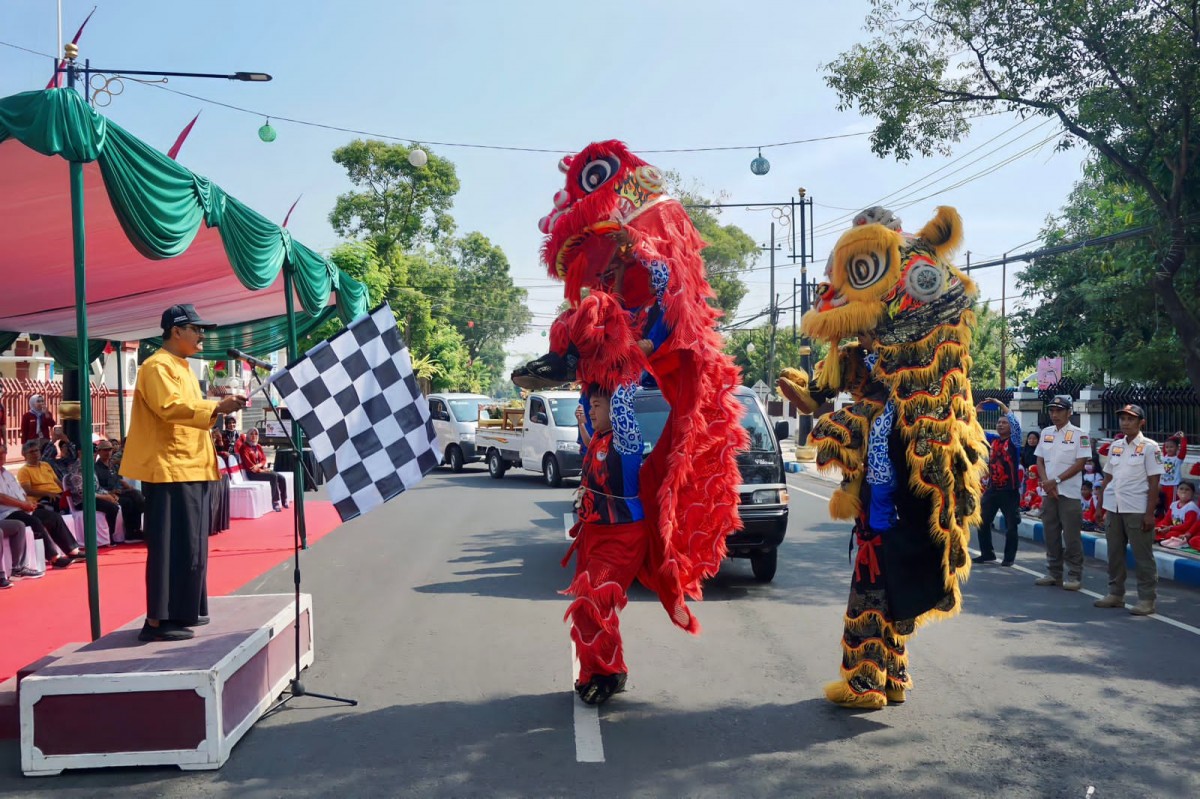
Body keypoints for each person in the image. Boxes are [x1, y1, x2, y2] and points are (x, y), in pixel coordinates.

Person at [120, 304, 245, 642]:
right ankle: (159, 621)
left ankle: (186, 610)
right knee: (171, 546)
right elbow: (170, 409)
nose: (202, 335)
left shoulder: (183, 366)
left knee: (191, 544)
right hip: (169, 468)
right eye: (196, 329)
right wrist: (217, 406)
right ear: (176, 331)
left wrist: (216, 410)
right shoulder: (157, 366)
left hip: (190, 465)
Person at [564, 384, 669, 706]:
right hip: (593, 534)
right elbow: (590, 445)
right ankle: (598, 671)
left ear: (616, 410)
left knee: (593, 601)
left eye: (597, 405)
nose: (591, 410)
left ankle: (608, 673)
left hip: (622, 535)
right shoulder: (598, 438)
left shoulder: (627, 440)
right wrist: (584, 419)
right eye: (590, 405)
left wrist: (623, 361)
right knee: (588, 604)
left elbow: (622, 397)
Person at [1094, 404, 1164, 616]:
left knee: (1143, 556)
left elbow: (1154, 483)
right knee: (1114, 553)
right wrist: (1099, 507)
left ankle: (1147, 599)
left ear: (1141, 422)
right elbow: (1107, 478)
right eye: (1122, 418)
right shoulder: (1115, 445)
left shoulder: (1150, 447)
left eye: (1130, 419)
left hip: (1137, 507)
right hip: (1113, 506)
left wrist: (1150, 513)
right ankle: (1115, 593)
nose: (1125, 422)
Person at [1033, 395, 1092, 591]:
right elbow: (1039, 460)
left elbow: (1080, 463)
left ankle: (1074, 575)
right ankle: (1053, 572)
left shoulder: (1080, 434)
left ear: (1069, 412)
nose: (1054, 414)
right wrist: (1046, 483)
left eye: (1059, 410)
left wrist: (1056, 481)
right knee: (1050, 534)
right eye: (1052, 410)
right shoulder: (1046, 433)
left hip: (1069, 492)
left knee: (1072, 536)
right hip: (1049, 492)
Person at [1, 441, 80, 568]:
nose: (2, 456)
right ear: (24, 455)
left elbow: (21, 492)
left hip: (23, 508)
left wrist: (28, 502)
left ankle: (72, 550)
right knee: (35, 521)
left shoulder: (7, 473)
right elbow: (2, 497)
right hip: (7, 512)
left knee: (53, 517)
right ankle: (54, 558)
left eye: (3, 453)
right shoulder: (23, 470)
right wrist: (23, 504)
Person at [974, 399, 1022, 566]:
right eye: (999, 422)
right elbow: (973, 430)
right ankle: (987, 553)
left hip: (1010, 491)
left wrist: (1002, 406)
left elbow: (1016, 425)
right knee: (982, 521)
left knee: (1011, 526)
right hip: (992, 489)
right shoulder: (992, 440)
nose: (1000, 425)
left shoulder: (1014, 442)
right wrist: (975, 412)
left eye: (1004, 423)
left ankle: (1008, 558)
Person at [64, 446, 122, 544]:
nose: (93, 455)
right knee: (112, 508)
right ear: (80, 453)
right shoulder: (77, 469)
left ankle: (118, 535)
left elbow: (97, 487)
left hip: (94, 496)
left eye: (94, 453)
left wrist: (109, 495)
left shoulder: (89, 466)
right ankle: (109, 537)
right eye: (90, 453)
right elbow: (82, 493)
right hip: (82, 501)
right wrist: (105, 497)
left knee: (118, 502)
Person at [94, 439, 145, 540]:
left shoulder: (114, 466)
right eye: (105, 450)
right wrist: (110, 493)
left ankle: (138, 528)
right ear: (99, 451)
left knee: (137, 495)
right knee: (128, 502)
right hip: (106, 494)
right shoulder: (95, 468)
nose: (108, 452)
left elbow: (119, 479)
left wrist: (125, 487)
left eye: (109, 450)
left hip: (118, 491)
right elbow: (97, 486)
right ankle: (130, 532)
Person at [236, 428, 288, 512]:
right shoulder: (244, 448)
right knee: (273, 476)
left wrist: (259, 465)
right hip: (252, 474)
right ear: (248, 436)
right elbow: (250, 466)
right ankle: (274, 502)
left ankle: (284, 499)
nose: (254, 436)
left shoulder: (258, 446)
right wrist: (262, 470)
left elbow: (264, 459)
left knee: (281, 478)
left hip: (261, 469)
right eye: (252, 434)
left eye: (256, 434)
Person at [1156, 480, 1198, 544]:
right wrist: (1159, 527)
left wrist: (1170, 528)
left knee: (1170, 534)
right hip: (1174, 529)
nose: (1184, 491)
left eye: (1187, 490)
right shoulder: (1174, 504)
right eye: (1181, 489)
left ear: (1192, 493)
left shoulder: (1191, 507)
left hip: (1185, 531)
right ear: (1177, 491)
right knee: (1156, 531)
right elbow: (1166, 520)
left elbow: (1187, 526)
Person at [1159, 432, 1188, 509]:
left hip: (1173, 485)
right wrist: (1173, 437)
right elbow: (1166, 444)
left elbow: (1183, 449)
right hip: (1163, 484)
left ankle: (1172, 518)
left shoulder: (1178, 459)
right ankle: (1164, 518)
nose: (1169, 449)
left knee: (1172, 504)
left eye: (1171, 447)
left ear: (1177, 448)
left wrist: (1182, 439)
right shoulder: (1164, 456)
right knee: (1162, 503)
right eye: (1167, 447)